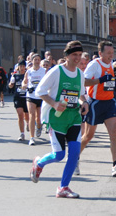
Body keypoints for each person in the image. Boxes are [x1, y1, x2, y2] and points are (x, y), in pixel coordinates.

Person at [30, 41, 89, 198]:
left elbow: (81, 94)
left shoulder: (80, 74)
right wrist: (54, 103)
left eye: (79, 55)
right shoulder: (56, 71)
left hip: (74, 117)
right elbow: (39, 91)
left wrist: (84, 103)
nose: (77, 58)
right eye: (74, 55)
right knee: (59, 155)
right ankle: (39, 163)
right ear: (67, 55)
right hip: (56, 119)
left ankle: (63, 187)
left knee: (75, 153)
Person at [81, 41, 116, 177]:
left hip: (109, 102)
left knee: (114, 134)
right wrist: (100, 80)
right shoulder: (94, 65)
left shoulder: (111, 63)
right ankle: (75, 158)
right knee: (88, 136)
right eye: (108, 53)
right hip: (95, 103)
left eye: (112, 53)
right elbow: (83, 81)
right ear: (100, 53)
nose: (110, 56)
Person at [26, 54, 45, 145]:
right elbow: (24, 82)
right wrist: (26, 86)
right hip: (31, 96)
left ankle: (39, 126)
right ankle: (31, 138)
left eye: (38, 60)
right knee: (31, 115)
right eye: (35, 60)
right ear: (32, 61)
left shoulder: (44, 71)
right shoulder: (29, 71)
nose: (37, 61)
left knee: (39, 117)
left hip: (40, 96)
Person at [8, 60, 29, 141]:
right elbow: (10, 86)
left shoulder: (27, 75)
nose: (22, 68)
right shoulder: (15, 76)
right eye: (21, 66)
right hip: (18, 97)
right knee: (20, 114)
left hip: (26, 97)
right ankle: (22, 133)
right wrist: (10, 85)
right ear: (18, 67)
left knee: (26, 116)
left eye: (23, 66)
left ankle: (28, 123)